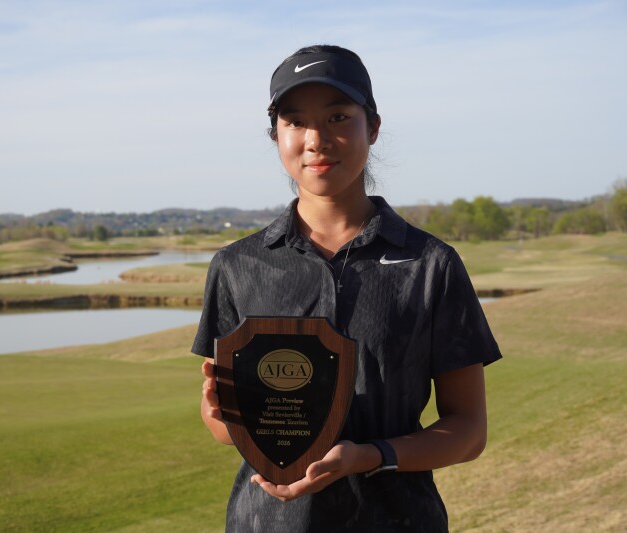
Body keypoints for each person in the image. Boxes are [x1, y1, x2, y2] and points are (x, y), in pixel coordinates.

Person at [193, 44, 501, 532]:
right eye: (294, 122)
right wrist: (222, 418)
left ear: (372, 128)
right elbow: (222, 427)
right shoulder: (236, 266)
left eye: (338, 117)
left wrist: (368, 456)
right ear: (276, 135)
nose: (315, 139)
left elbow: (467, 431)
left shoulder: (430, 264)